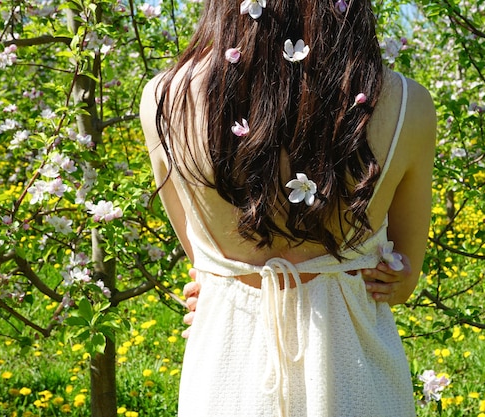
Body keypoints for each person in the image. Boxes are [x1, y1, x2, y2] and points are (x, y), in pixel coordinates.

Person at [140, 0, 436, 415]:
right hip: (354, 375)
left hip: (226, 365)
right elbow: (401, 280)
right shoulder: (407, 105)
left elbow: (203, 261)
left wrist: (218, 281)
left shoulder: (162, 101)